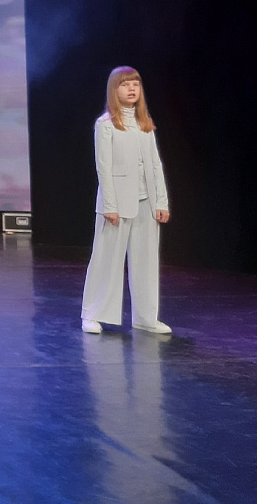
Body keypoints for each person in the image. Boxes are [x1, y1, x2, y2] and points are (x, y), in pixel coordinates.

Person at [81, 66, 171, 334]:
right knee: (106, 259)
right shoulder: (106, 125)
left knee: (146, 262)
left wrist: (161, 202)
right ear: (114, 89)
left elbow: (155, 165)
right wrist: (110, 205)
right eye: (125, 84)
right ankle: (92, 314)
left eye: (136, 84)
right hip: (117, 204)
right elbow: (104, 168)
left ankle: (145, 318)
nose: (132, 89)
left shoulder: (145, 124)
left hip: (146, 202)